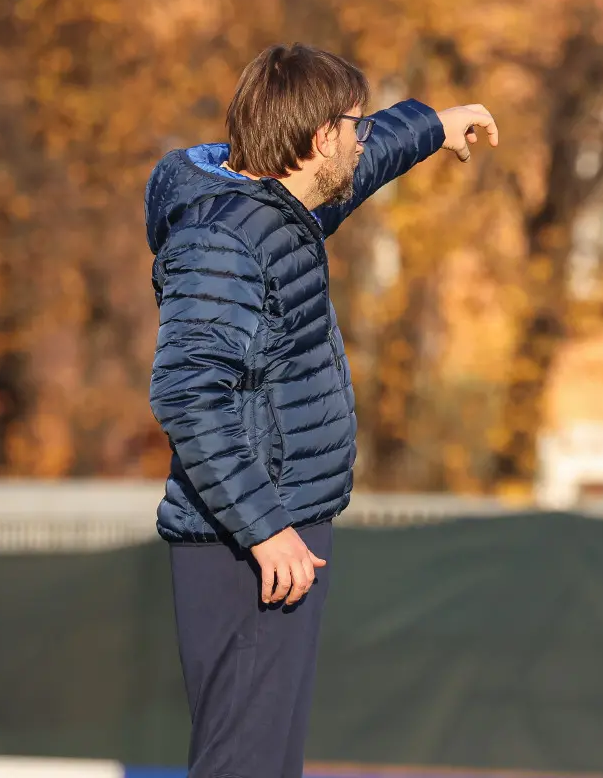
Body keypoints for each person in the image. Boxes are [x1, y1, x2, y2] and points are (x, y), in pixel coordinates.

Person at [145, 43, 498, 778]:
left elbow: (355, 172)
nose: (361, 138)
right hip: (248, 543)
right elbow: (188, 393)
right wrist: (266, 529)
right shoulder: (223, 240)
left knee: (265, 761)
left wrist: (436, 125)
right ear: (315, 138)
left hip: (277, 529)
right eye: (354, 125)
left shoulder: (276, 208)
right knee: (244, 762)